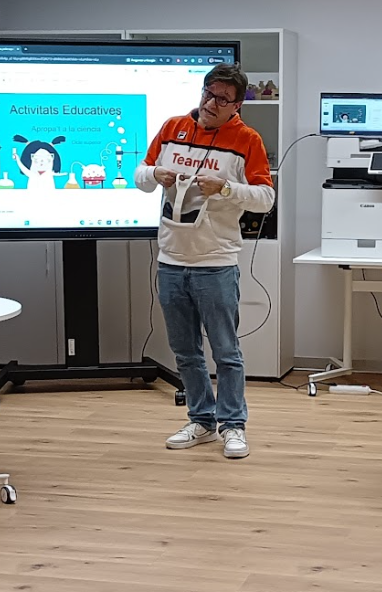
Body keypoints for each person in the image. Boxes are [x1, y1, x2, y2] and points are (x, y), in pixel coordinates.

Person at [134, 63, 275, 459]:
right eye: (208, 93)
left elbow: (266, 198)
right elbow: (139, 176)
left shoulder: (247, 140)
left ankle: (233, 425)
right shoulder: (173, 128)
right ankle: (201, 420)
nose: (212, 103)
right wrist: (156, 173)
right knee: (185, 352)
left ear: (237, 105)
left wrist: (226, 188)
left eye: (223, 99)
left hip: (216, 262)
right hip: (171, 260)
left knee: (226, 352)